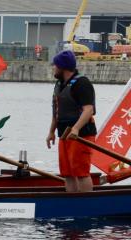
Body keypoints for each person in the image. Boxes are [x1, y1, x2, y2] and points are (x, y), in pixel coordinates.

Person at [46, 50, 96, 193]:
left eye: (55, 66)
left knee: (81, 172)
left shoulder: (82, 83)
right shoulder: (59, 85)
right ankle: (72, 203)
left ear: (63, 67)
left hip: (81, 135)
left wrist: (76, 128)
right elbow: (56, 112)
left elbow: (88, 110)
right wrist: (51, 132)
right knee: (67, 173)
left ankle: (86, 207)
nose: (53, 68)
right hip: (64, 134)